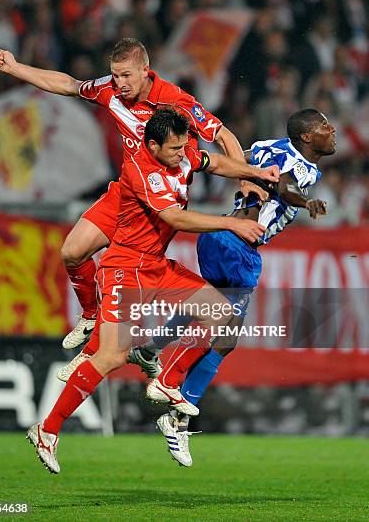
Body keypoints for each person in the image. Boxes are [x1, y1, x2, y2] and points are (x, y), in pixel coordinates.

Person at [26, 108, 279, 473]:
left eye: (183, 147)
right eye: (174, 149)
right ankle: (47, 430)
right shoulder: (141, 170)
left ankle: (167, 381)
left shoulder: (182, 153)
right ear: (153, 144)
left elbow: (216, 163)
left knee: (220, 309)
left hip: (157, 267)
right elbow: (175, 217)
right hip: (125, 270)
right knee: (112, 357)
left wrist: (256, 172)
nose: (182, 154)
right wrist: (230, 224)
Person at [0, 38, 266, 351]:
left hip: (161, 202)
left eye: (126, 76)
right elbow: (69, 84)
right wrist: (15, 68)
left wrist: (245, 179)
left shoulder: (174, 100)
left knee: (132, 275)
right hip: (124, 192)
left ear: (146, 71)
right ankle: (92, 315)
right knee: (72, 252)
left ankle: (135, 352)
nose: (119, 83)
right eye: (115, 75)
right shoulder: (109, 90)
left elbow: (222, 136)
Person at [134, 108, 336, 466]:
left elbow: (242, 163)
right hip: (239, 246)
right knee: (225, 336)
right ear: (306, 137)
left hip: (219, 236)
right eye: (323, 126)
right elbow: (285, 186)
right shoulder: (300, 166)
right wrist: (306, 202)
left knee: (207, 309)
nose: (332, 130)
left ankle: (153, 348)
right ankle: (177, 414)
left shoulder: (266, 146)